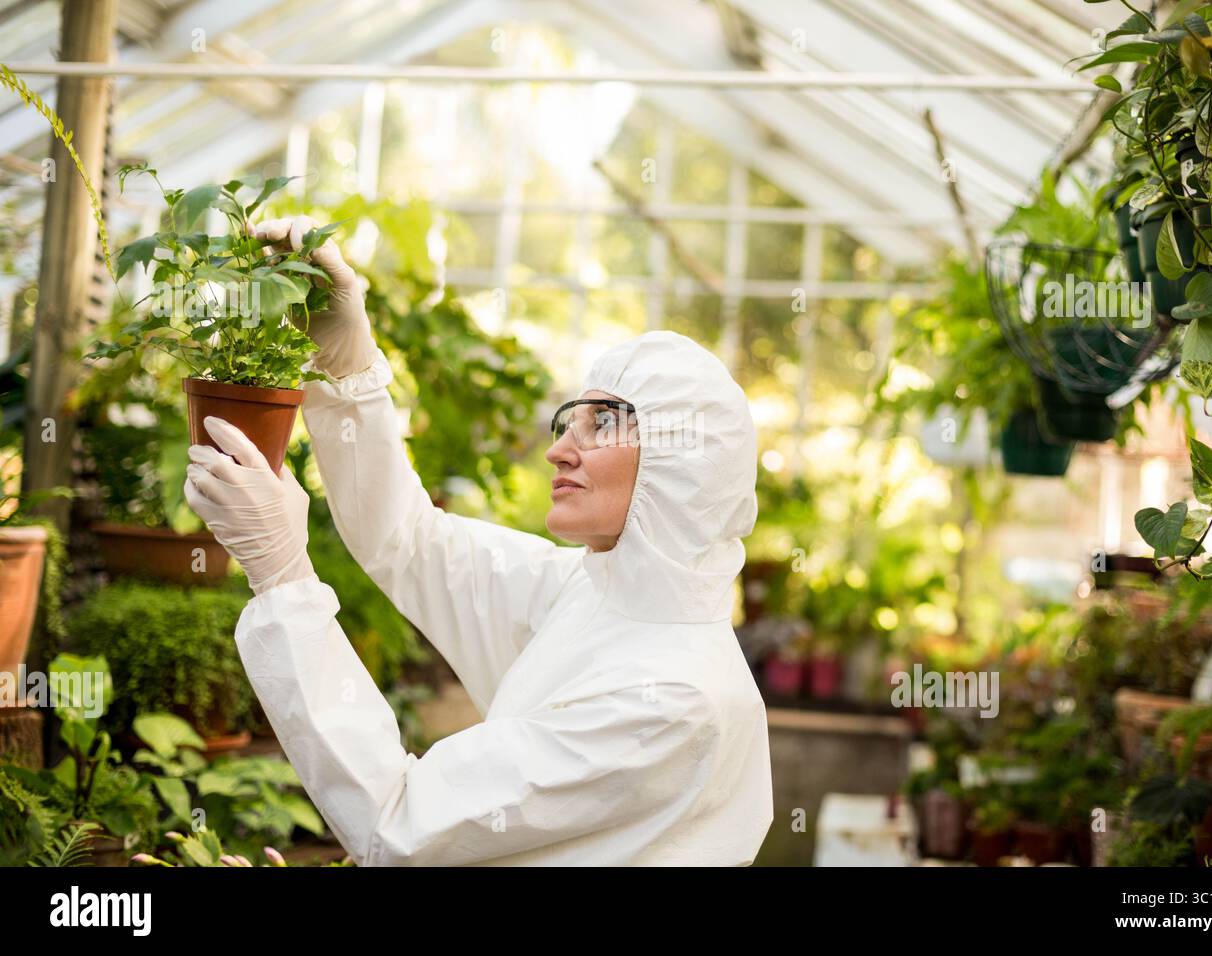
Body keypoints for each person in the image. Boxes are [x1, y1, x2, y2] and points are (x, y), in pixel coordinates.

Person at [183, 216, 774, 866]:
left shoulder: (674, 701)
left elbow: (398, 826)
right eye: (566, 421)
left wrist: (284, 577)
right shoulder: (592, 593)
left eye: (601, 423)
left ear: (686, 465)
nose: (558, 452)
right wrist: (348, 371)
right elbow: (410, 543)